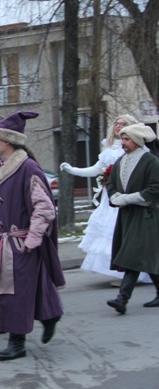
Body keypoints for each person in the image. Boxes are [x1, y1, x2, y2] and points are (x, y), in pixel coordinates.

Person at [0, 111, 65, 361]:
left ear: (7, 140)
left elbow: (45, 207)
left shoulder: (27, 168)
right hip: (1, 242)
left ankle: (17, 343)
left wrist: (32, 238)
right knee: (20, 291)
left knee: (15, 294)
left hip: (19, 243)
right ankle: (50, 315)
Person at [60, 114, 152, 283]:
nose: (118, 126)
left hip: (129, 198)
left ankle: (132, 274)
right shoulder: (109, 151)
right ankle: (121, 272)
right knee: (111, 234)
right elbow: (96, 170)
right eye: (116, 123)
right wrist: (73, 170)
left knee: (130, 234)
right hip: (110, 199)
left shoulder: (141, 150)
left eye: (123, 124)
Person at [105, 123, 159, 313]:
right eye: (122, 139)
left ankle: (122, 299)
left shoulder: (150, 161)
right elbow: (111, 184)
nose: (123, 143)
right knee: (147, 256)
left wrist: (127, 198)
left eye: (127, 139)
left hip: (145, 215)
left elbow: (155, 189)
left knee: (132, 255)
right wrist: (114, 197)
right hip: (126, 216)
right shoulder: (121, 161)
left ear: (136, 141)